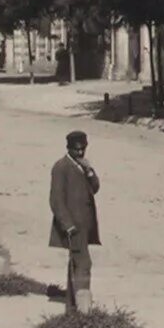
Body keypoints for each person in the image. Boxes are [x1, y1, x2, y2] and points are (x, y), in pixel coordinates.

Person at [49, 130, 101, 312]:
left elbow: (95, 188)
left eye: (83, 149)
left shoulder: (82, 166)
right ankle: (82, 307)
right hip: (73, 227)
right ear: (68, 148)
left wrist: (89, 170)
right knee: (84, 263)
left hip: (84, 226)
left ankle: (73, 305)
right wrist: (68, 225)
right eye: (77, 149)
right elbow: (56, 200)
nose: (80, 153)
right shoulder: (60, 167)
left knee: (77, 262)